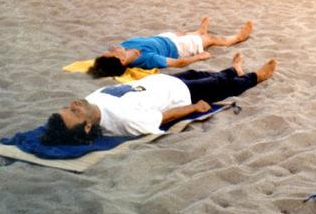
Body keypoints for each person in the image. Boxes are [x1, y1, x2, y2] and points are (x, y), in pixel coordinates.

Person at [41, 52, 275, 145]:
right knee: (221, 85)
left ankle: (235, 70)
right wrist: (193, 108)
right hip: (182, 95)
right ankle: (255, 76)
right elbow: (162, 117)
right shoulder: (124, 122)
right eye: (74, 112)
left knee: (206, 75)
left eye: (68, 106)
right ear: (88, 126)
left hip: (163, 82)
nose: (74, 104)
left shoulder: (89, 104)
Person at [88, 16, 253, 78]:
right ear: (122, 60)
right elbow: (177, 63)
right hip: (175, 48)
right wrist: (198, 57)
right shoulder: (148, 59)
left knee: (181, 32)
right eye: (111, 51)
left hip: (161, 39)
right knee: (209, 39)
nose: (112, 46)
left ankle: (197, 31)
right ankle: (238, 37)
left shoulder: (122, 48)